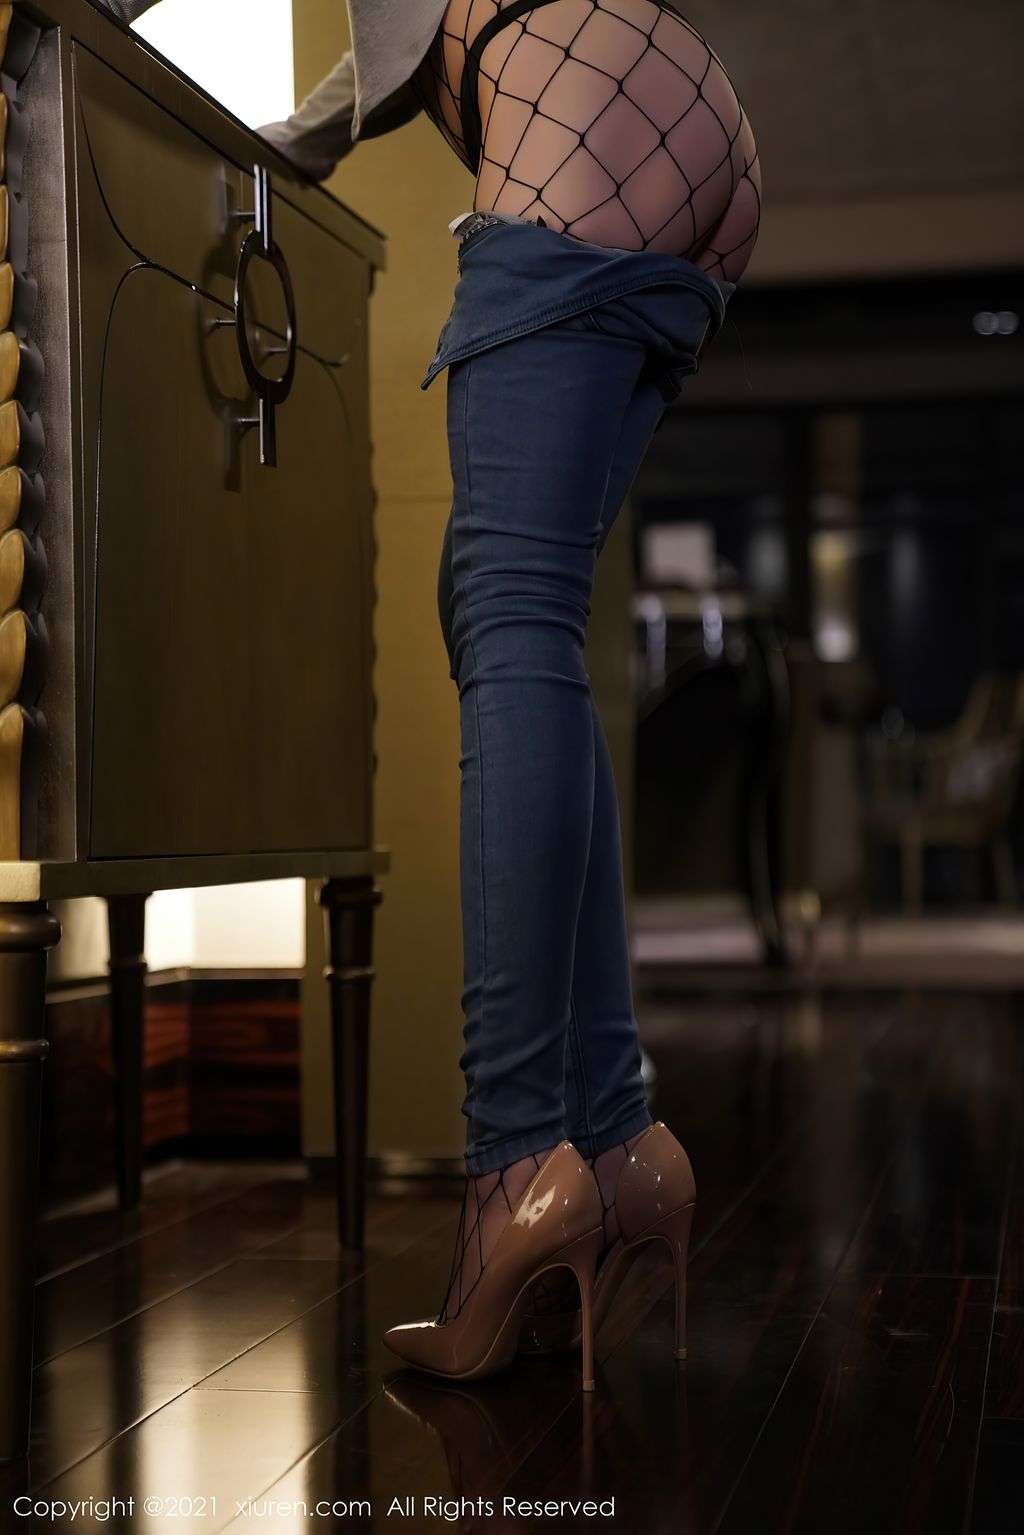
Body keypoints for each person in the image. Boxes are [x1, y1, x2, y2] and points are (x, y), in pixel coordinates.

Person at [101, 0, 762, 1391]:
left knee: (511, 616)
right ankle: (617, 1135)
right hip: (690, 111)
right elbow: (388, 58)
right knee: (514, 610)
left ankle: (516, 1161)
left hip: (576, 97)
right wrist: (308, 132)